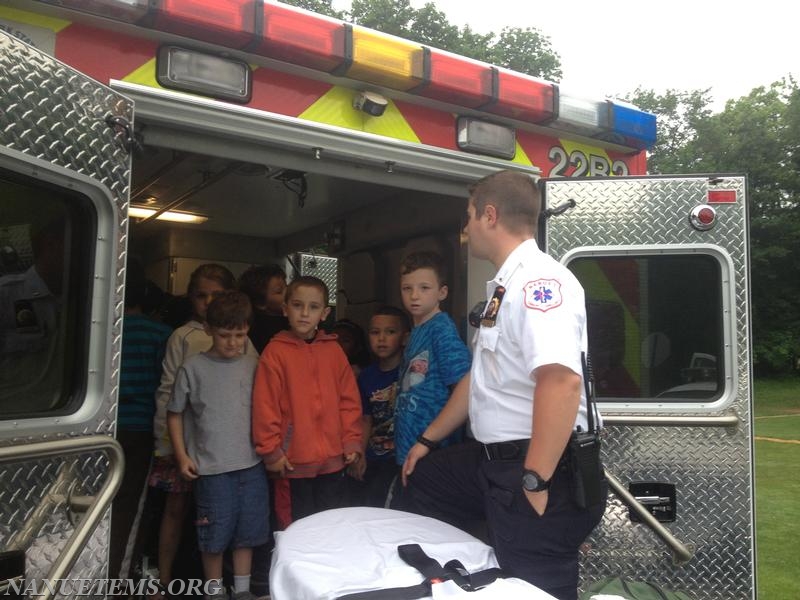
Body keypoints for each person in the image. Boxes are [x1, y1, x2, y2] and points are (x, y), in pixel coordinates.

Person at [402, 170, 607, 600]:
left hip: (535, 466)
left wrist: (535, 481)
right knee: (427, 479)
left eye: (470, 216)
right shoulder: (504, 286)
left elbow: (561, 382)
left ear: (490, 215)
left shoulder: (537, 283)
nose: (466, 228)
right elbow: (480, 381)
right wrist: (426, 440)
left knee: (536, 591)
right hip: (496, 461)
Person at [149, 264, 258, 593]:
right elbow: (171, 403)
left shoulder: (250, 354)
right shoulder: (185, 346)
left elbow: (262, 397)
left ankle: (235, 587)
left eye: (239, 335)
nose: (233, 342)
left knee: (239, 524)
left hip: (241, 456)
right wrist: (174, 451)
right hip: (197, 455)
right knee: (194, 520)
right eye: (201, 295)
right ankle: (181, 582)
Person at [167, 290, 268, 600]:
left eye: (240, 335)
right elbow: (174, 413)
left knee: (246, 533)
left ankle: (241, 591)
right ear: (208, 330)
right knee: (213, 534)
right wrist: (182, 455)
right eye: (225, 335)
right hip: (210, 469)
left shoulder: (255, 364)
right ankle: (213, 592)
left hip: (251, 465)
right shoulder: (192, 368)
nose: (233, 342)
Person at [252, 276, 363, 522]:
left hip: (334, 463)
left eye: (313, 307)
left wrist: (351, 441)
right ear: (285, 309)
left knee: (331, 528)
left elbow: (349, 402)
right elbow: (264, 406)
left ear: (324, 313)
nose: (304, 313)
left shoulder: (334, 351)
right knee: (295, 532)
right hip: (292, 465)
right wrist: (271, 451)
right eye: (297, 305)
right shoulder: (275, 352)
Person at [109, 258, 171, 579]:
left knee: (100, 501)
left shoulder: (105, 329)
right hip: (142, 428)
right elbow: (166, 386)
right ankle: (119, 576)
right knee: (131, 504)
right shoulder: (160, 333)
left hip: (105, 429)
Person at [393, 251, 471, 471]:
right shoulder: (416, 332)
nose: (414, 296)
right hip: (410, 447)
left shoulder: (441, 329)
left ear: (442, 292)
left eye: (424, 288)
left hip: (434, 450)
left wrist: (431, 439)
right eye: (407, 288)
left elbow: (464, 387)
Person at [347, 305, 410, 507]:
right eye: (375, 332)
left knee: (384, 500)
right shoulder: (366, 377)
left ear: (405, 337)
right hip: (374, 454)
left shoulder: (412, 372)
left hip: (401, 456)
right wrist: (360, 454)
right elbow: (366, 417)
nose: (381, 338)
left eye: (390, 332)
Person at [238, 264, 288, 353]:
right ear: (260, 304)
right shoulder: (265, 331)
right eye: (279, 291)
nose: (288, 292)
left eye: (287, 286)